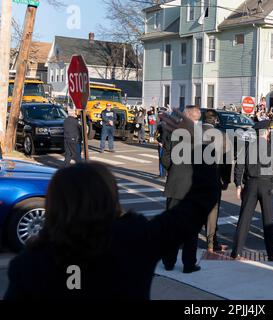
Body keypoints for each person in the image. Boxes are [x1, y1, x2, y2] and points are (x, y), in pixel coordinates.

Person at [4, 114, 219, 300]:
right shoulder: (135, 238)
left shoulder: (30, 263)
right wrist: (195, 140)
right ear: (110, 196)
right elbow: (203, 198)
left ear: (54, 203)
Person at [231, 120, 273, 261]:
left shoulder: (247, 147)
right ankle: (272, 253)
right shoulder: (272, 148)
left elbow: (239, 167)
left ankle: (236, 251)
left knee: (244, 218)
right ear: (267, 132)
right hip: (267, 185)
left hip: (250, 184)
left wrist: (238, 185)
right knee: (268, 220)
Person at [160, 105, 204, 273]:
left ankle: (169, 262)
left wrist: (172, 169)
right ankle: (188, 264)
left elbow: (165, 155)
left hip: (175, 183)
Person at [202, 110, 232, 253]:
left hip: (194, 179)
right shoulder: (222, 136)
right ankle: (211, 243)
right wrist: (226, 180)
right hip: (214, 178)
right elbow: (227, 160)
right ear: (215, 120)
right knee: (212, 211)